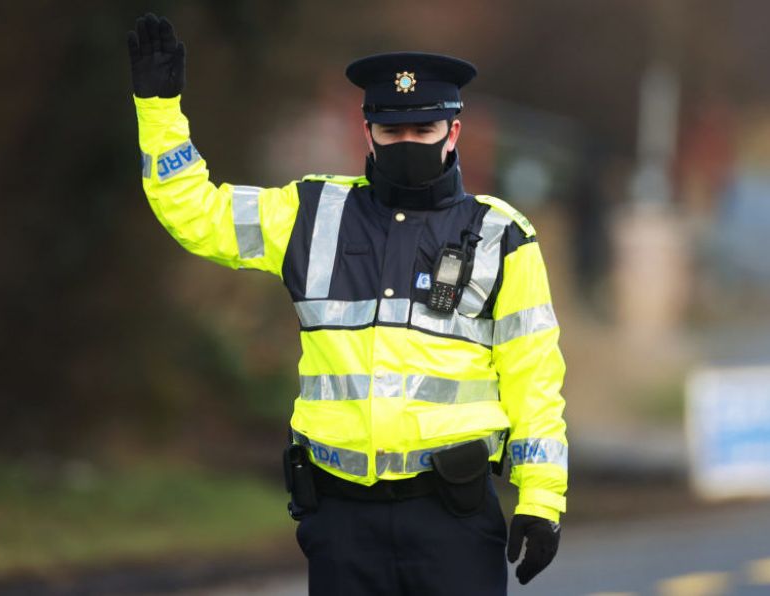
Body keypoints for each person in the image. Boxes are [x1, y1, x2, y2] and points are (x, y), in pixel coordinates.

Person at [127, 12, 568, 595]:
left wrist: (541, 499)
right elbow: (193, 212)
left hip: (452, 521)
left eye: (424, 131)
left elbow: (533, 380)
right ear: (367, 132)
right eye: (391, 132)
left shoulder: (501, 236)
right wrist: (159, 111)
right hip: (340, 523)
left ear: (453, 132)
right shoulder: (307, 215)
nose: (406, 143)